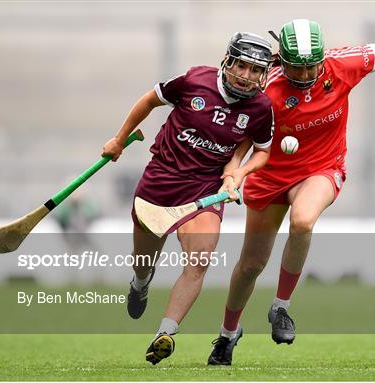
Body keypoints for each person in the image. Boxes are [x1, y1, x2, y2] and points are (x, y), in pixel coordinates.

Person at [208, 19, 375, 365]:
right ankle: (228, 335)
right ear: (281, 60)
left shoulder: (342, 64)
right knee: (251, 265)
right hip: (270, 175)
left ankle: (281, 308)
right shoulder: (267, 88)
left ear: (321, 58)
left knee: (303, 221)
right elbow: (245, 139)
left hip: (322, 167)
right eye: (295, 68)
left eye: (310, 67)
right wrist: (235, 173)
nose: (304, 75)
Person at [102, 32, 274, 365]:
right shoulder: (195, 80)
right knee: (143, 261)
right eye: (242, 66)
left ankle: (165, 332)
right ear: (228, 62)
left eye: (255, 71)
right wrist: (119, 140)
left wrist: (239, 173)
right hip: (161, 180)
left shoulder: (260, 107)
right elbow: (149, 100)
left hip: (206, 188)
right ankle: (140, 284)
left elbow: (263, 151)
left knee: (199, 260)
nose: (247, 76)